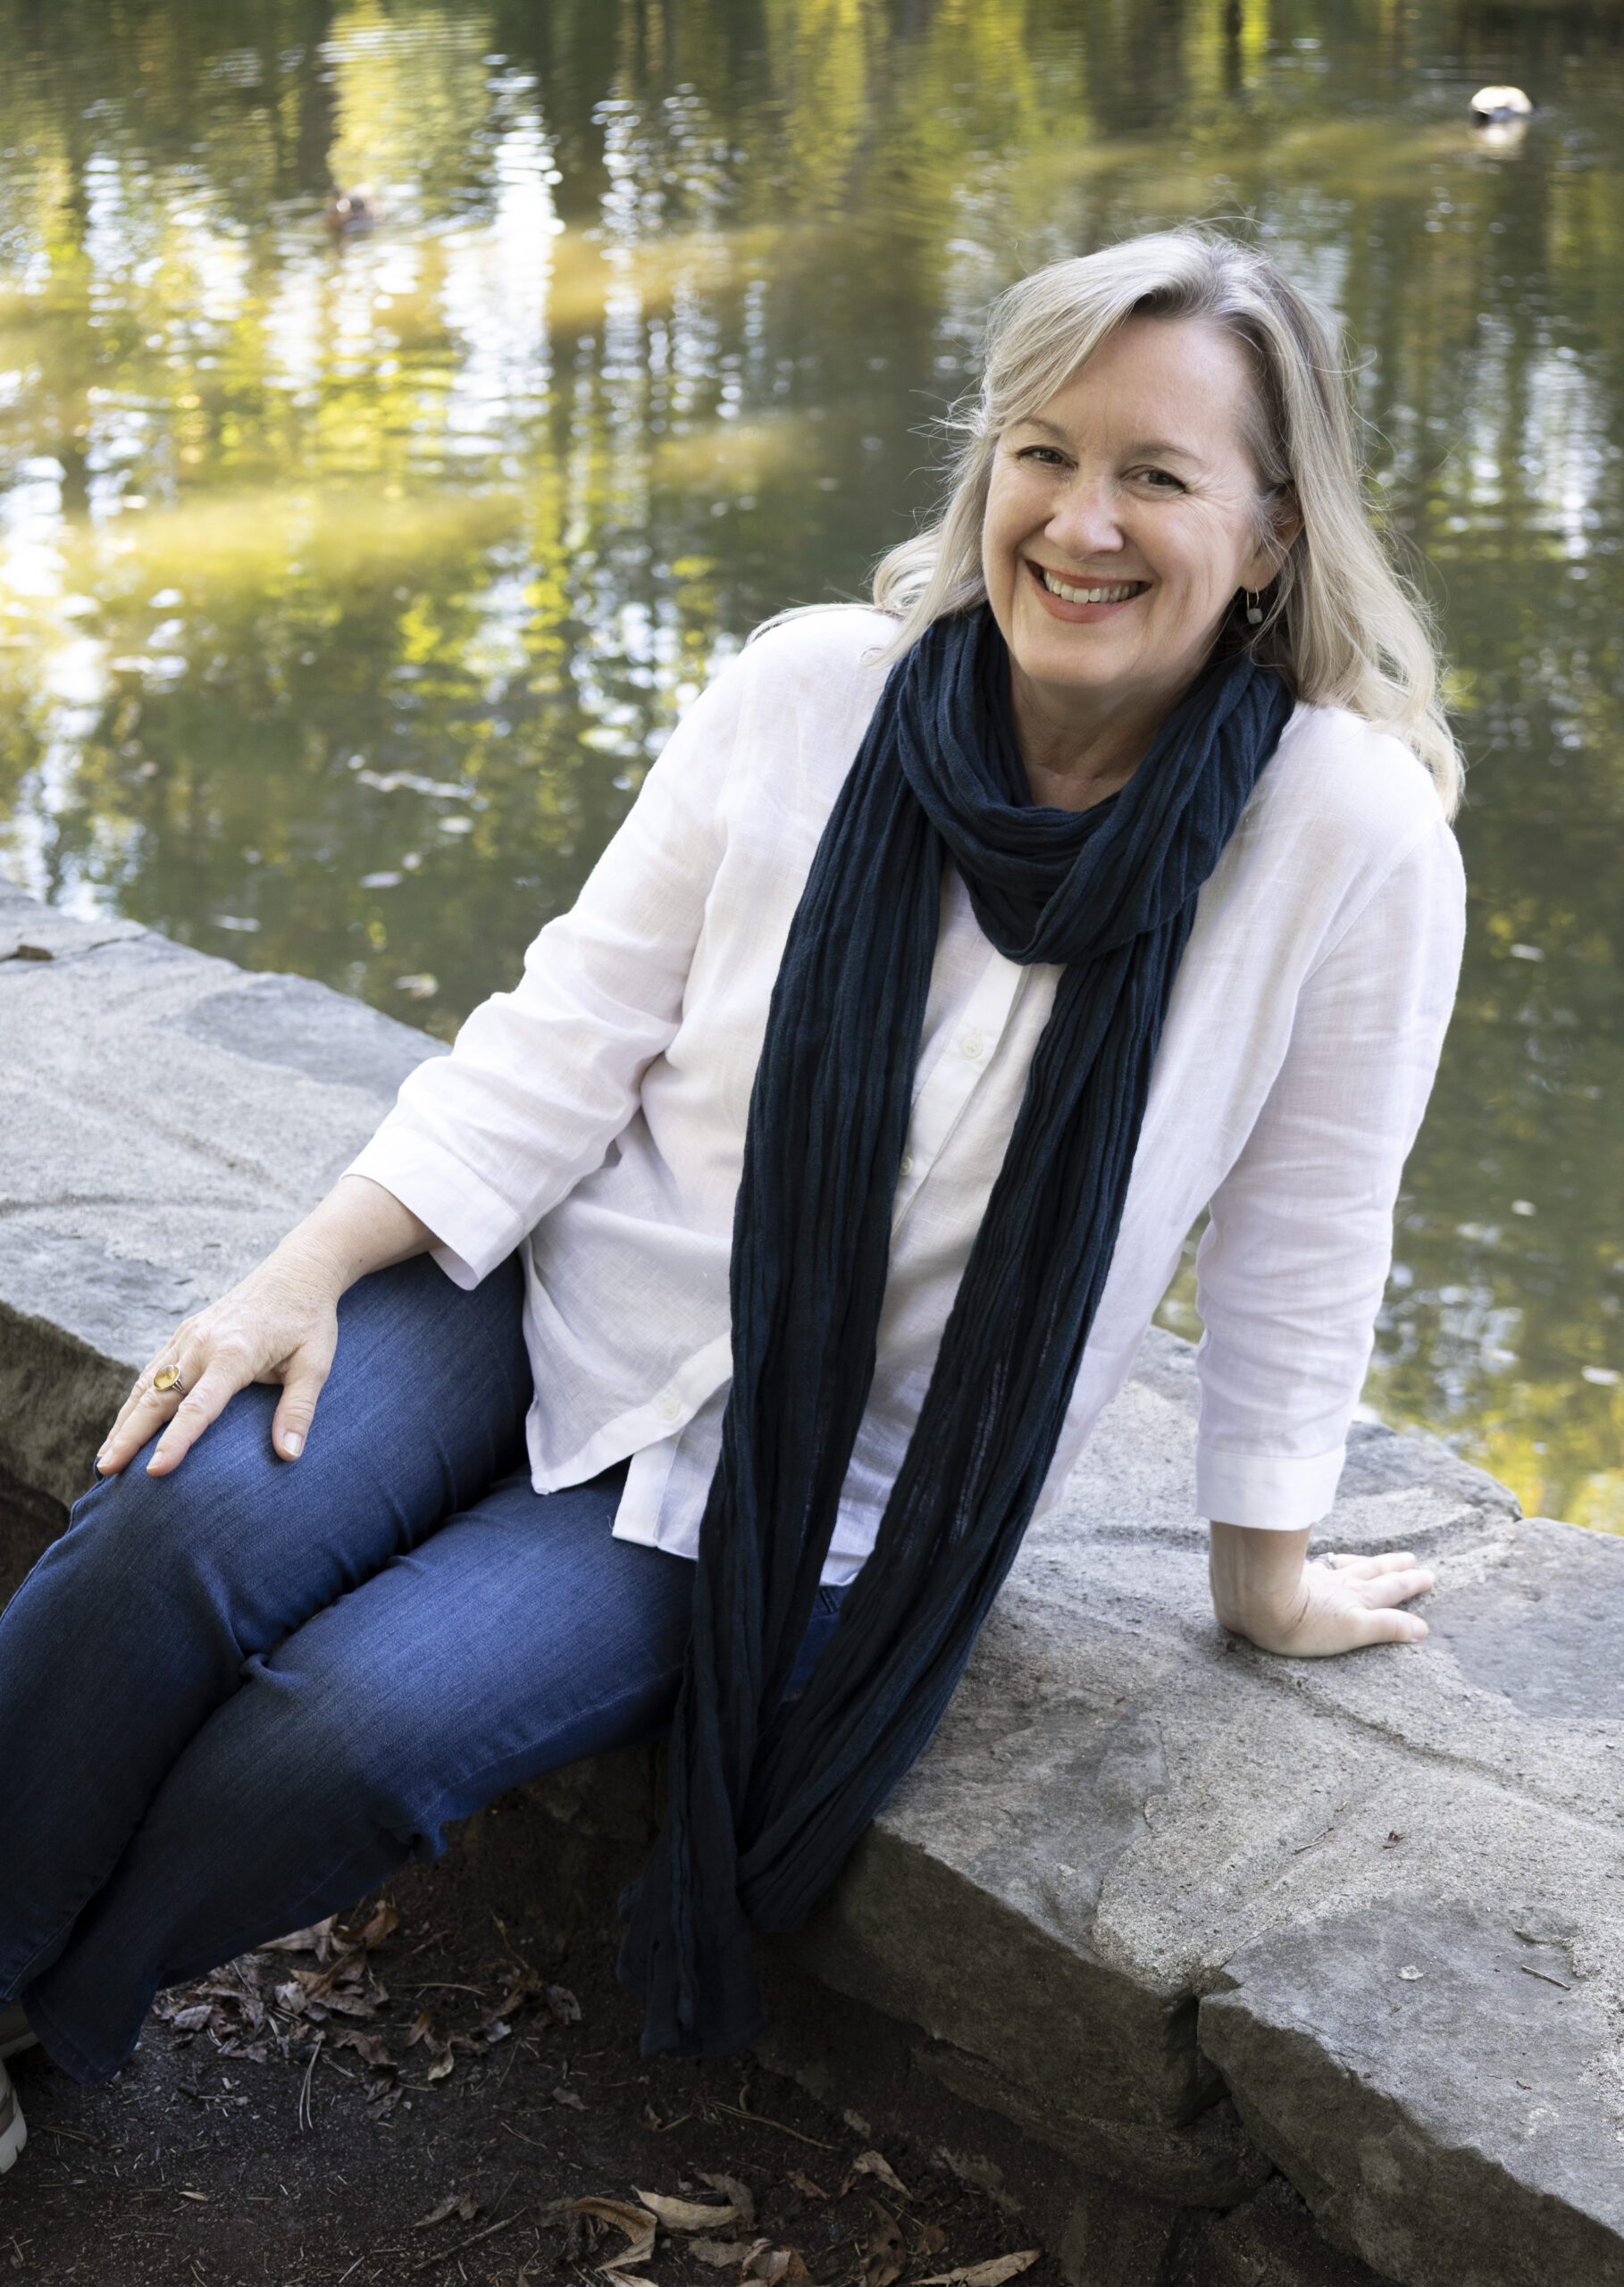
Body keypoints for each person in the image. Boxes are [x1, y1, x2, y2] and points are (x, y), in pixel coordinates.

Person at [0, 226, 1465, 2166]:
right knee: (169, 1527)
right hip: (545, 1284)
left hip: (797, 1480)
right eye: (1043, 450)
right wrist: (306, 1266)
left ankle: (54, 2015)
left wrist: (1262, 1577)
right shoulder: (814, 693)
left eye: (1158, 474)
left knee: (350, 1733)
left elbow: (1308, 1227)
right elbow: (568, 1028)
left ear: (1274, 532)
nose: (1082, 520)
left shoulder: (1345, 838)